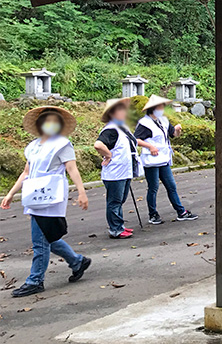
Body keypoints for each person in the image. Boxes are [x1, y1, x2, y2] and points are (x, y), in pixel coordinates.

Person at [0, 107, 91, 297]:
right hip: (34, 195)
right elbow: (26, 172)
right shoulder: (33, 146)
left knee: (40, 241)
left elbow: (72, 168)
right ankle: (77, 261)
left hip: (51, 195)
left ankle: (35, 280)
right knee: (48, 236)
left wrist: (82, 192)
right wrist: (10, 194)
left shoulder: (62, 144)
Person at [135, 95, 197, 224]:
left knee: (171, 186)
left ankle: (181, 212)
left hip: (163, 159)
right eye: (160, 106)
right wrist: (150, 146)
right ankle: (153, 214)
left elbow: (173, 134)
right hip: (151, 160)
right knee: (153, 187)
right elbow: (136, 140)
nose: (162, 109)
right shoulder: (144, 123)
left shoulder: (163, 120)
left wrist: (178, 130)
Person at [94, 98, 140, 239]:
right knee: (114, 201)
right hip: (115, 173)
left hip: (124, 171)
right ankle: (115, 229)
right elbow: (98, 144)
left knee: (119, 200)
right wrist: (108, 155)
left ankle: (119, 225)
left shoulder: (122, 128)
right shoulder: (111, 130)